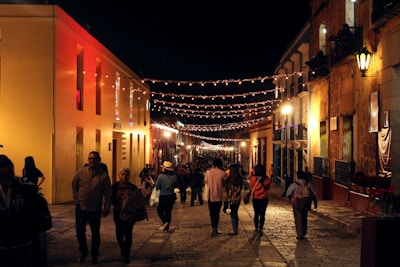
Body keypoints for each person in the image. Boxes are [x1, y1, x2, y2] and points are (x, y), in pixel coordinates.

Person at [72, 151, 112, 264]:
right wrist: (76, 198)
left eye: (94, 159)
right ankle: (83, 252)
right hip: (81, 207)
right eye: (90, 159)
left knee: (95, 233)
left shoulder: (103, 175)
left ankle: (95, 255)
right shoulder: (81, 172)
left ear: (99, 160)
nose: (92, 161)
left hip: (95, 208)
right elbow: (74, 185)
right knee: (79, 230)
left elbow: (108, 192)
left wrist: (107, 206)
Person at [0, 154, 38, 267]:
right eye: (2, 176)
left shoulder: (21, 185)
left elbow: (32, 190)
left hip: (22, 242)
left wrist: (16, 183)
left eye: (8, 175)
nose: (6, 179)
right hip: (2, 244)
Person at [111, 168, 138, 264]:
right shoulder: (115, 187)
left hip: (129, 213)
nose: (124, 176)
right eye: (122, 175)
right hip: (118, 213)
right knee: (119, 232)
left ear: (129, 176)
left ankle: (127, 253)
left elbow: (137, 201)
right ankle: (122, 248)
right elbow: (111, 199)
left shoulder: (133, 187)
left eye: (126, 175)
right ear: (119, 176)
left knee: (128, 232)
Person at [286, 170, 318, 240]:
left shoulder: (294, 184)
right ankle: (304, 232)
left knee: (298, 218)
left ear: (297, 176)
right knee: (304, 217)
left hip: (297, 202)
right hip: (306, 202)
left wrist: (291, 198)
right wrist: (315, 202)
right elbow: (313, 194)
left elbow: (288, 193)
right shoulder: (308, 184)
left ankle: (299, 233)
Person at [204, 157, 228, 236]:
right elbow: (225, 184)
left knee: (212, 212)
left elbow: (205, 182)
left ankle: (213, 228)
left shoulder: (208, 172)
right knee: (217, 213)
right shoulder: (223, 173)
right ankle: (215, 228)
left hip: (210, 196)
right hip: (219, 195)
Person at [248, 164, 272, 236]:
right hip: (264, 198)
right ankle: (261, 228)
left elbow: (251, 187)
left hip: (256, 198)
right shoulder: (267, 179)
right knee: (262, 214)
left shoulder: (252, 179)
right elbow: (268, 188)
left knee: (256, 213)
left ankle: (256, 228)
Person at [155, 161, 178, 233]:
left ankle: (165, 222)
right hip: (171, 196)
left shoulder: (161, 177)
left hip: (163, 196)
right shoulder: (174, 177)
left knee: (159, 210)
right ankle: (167, 228)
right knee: (168, 212)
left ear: (164, 169)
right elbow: (176, 185)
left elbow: (157, 186)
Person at [224, 163, 243, 235]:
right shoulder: (240, 178)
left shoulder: (230, 179)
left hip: (231, 199)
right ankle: (235, 228)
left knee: (233, 214)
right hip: (237, 199)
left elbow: (226, 189)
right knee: (235, 213)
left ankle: (235, 229)